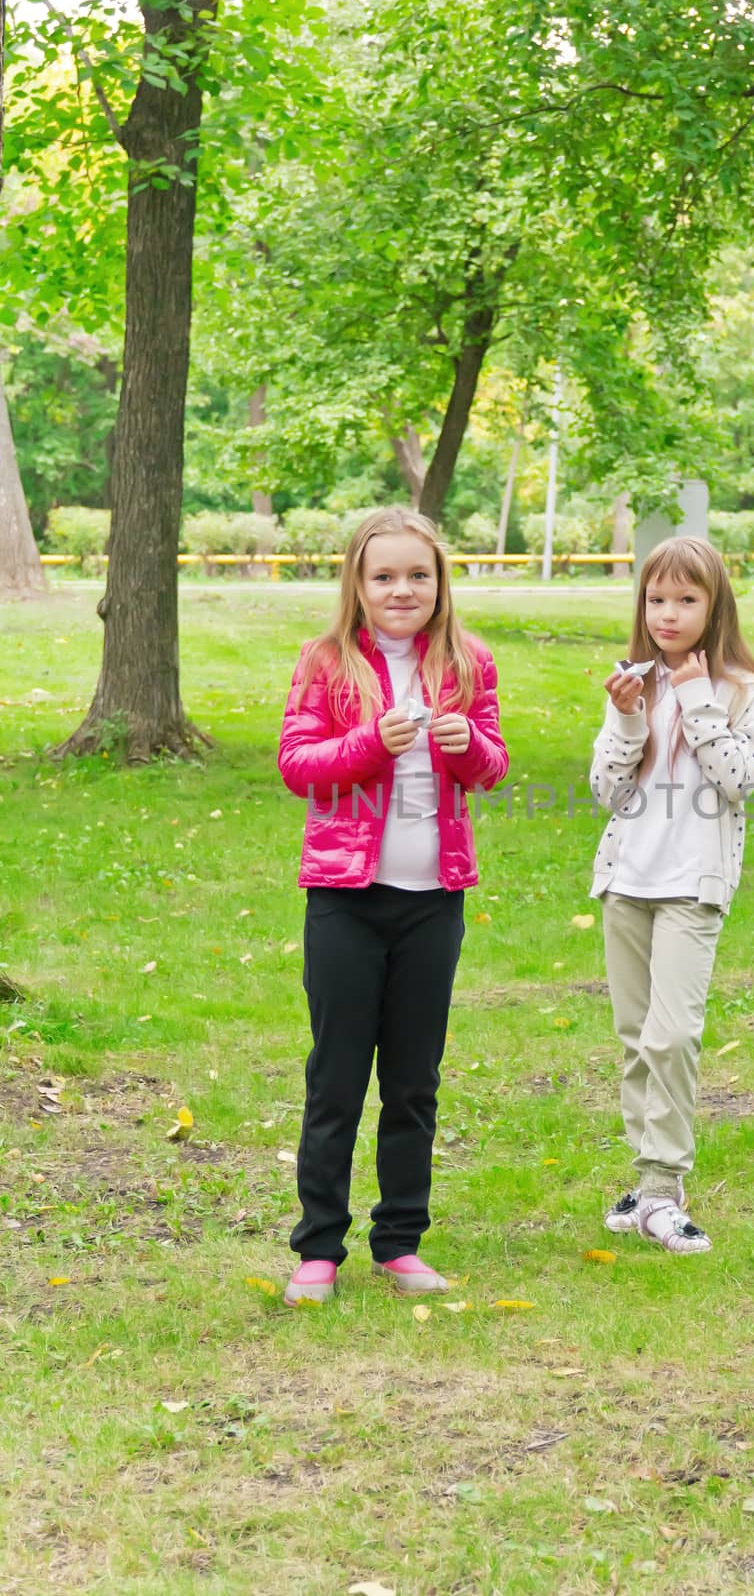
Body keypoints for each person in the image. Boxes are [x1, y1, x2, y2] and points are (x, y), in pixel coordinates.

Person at [277, 507, 508, 1304]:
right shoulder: (326, 661)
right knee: (336, 1077)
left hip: (431, 903)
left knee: (413, 1081)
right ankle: (318, 1249)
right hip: (344, 901)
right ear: (357, 584)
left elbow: (491, 765)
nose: (401, 589)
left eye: (418, 575)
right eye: (384, 577)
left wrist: (465, 748)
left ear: (440, 582)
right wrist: (376, 740)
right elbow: (300, 766)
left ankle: (399, 1241)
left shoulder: (467, 662)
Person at [589, 536, 754, 1254]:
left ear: (714, 605)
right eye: (656, 598)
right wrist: (629, 716)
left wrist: (696, 699)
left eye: (686, 599)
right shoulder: (631, 681)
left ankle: (666, 1192)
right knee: (637, 1041)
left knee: (672, 1037)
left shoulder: (745, 694)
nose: (667, 613)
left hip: (689, 891)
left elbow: (737, 780)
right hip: (625, 882)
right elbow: (606, 790)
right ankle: (646, 1181)